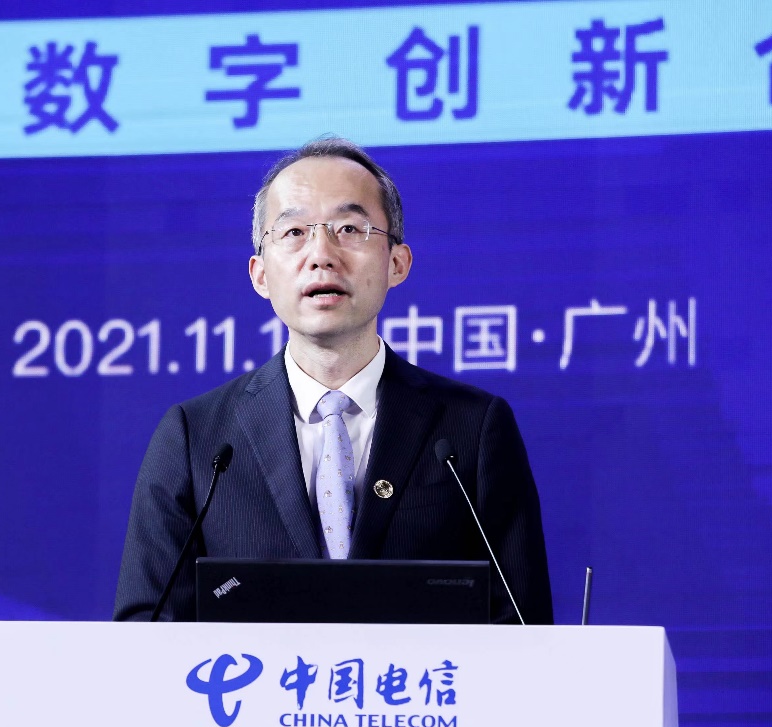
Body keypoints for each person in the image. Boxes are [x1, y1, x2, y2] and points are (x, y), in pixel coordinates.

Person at [112, 137, 553, 624]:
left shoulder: (472, 429)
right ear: (260, 275)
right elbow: (145, 631)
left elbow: (524, 626)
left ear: (397, 263)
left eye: (349, 228)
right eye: (294, 232)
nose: (321, 254)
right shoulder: (197, 438)